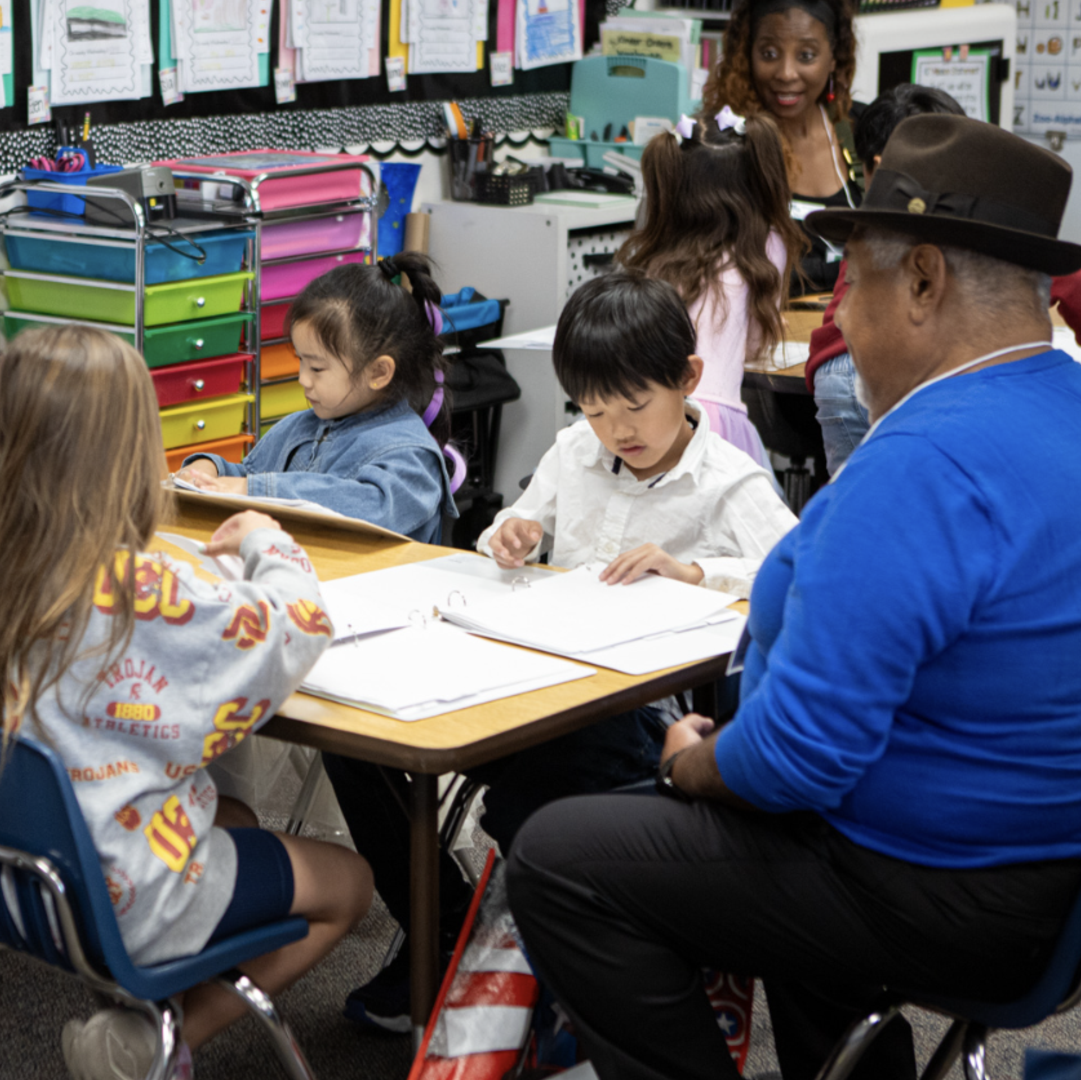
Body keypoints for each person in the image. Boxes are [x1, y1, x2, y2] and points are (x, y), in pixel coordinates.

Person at [504, 115, 1081, 1080]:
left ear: (922, 281)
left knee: (561, 856)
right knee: (763, 850)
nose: (837, 319)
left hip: (971, 894)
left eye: (849, 282)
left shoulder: (923, 463)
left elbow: (793, 764)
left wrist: (694, 768)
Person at [318, 269, 799, 1035]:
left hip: (632, 720)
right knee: (359, 741)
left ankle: (535, 964)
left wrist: (697, 570)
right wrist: (509, 534)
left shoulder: (726, 482)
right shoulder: (575, 451)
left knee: (535, 795)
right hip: (533, 678)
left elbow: (797, 569)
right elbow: (514, 526)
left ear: (689, 380)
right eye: (596, 409)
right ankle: (448, 934)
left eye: (635, 405)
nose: (616, 430)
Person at [0, 324, 374, 1080]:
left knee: (233, 813)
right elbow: (298, 626)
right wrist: (269, 542)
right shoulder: (145, 592)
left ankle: (150, 1005)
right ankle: (159, 1043)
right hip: (125, 890)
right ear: (129, 447)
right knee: (351, 885)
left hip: (8, 871)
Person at [806, 84, 1081, 471]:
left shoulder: (872, 230)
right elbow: (1078, 284)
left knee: (863, 502)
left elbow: (840, 320)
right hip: (903, 369)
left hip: (837, 374)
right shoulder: (984, 240)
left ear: (875, 167)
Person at [174, 254, 457, 544]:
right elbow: (247, 475)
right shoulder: (296, 427)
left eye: (317, 368)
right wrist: (209, 471)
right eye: (301, 362)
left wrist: (254, 489)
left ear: (379, 371)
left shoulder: (412, 455)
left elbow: (370, 507)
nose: (303, 379)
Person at [617, 111, 806, 470]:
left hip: (642, 414)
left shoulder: (653, 255)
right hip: (715, 422)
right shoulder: (765, 249)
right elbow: (754, 345)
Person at [703, 0, 863, 294]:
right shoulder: (725, 144)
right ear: (747, 55)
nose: (786, 73)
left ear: (834, 59)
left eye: (806, 55)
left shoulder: (860, 129)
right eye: (769, 54)